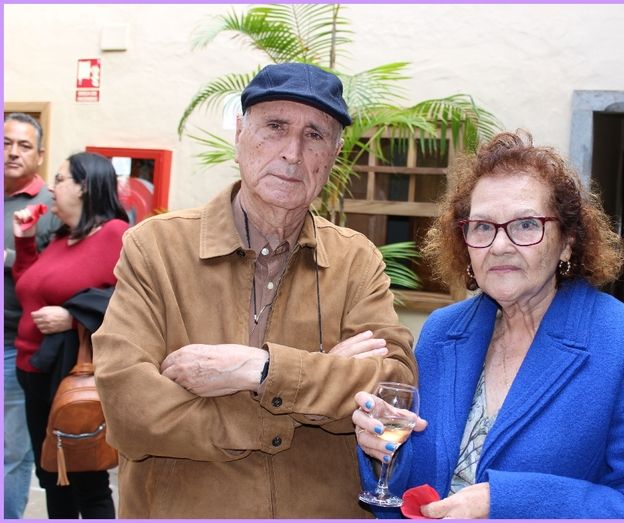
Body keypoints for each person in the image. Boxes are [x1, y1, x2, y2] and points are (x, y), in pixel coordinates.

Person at [92, 62, 416, 519]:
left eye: (315, 135)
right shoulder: (156, 248)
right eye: (275, 127)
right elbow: (130, 409)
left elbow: (393, 387)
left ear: (334, 154)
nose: (292, 153)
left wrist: (259, 369)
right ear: (240, 133)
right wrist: (305, 395)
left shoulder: (355, 260)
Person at [352, 131, 624, 518]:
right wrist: (383, 452)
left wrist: (504, 503)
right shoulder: (442, 331)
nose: (500, 245)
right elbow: (412, 478)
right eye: (483, 226)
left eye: (526, 224)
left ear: (567, 241)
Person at [12, 152, 129, 518]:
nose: (50, 187)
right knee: (52, 474)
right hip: (34, 371)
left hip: (73, 374)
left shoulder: (115, 234)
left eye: (60, 179)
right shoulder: (63, 238)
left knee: (86, 478)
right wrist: (25, 241)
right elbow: (29, 287)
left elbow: (135, 298)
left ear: (84, 187)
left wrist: (73, 316)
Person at [3, 113, 60, 519]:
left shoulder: (51, 206)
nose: (12, 152)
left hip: (15, 346)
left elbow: (59, 272)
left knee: (12, 451)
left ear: (39, 155)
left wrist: (8, 257)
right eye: (6, 143)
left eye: (23, 146)